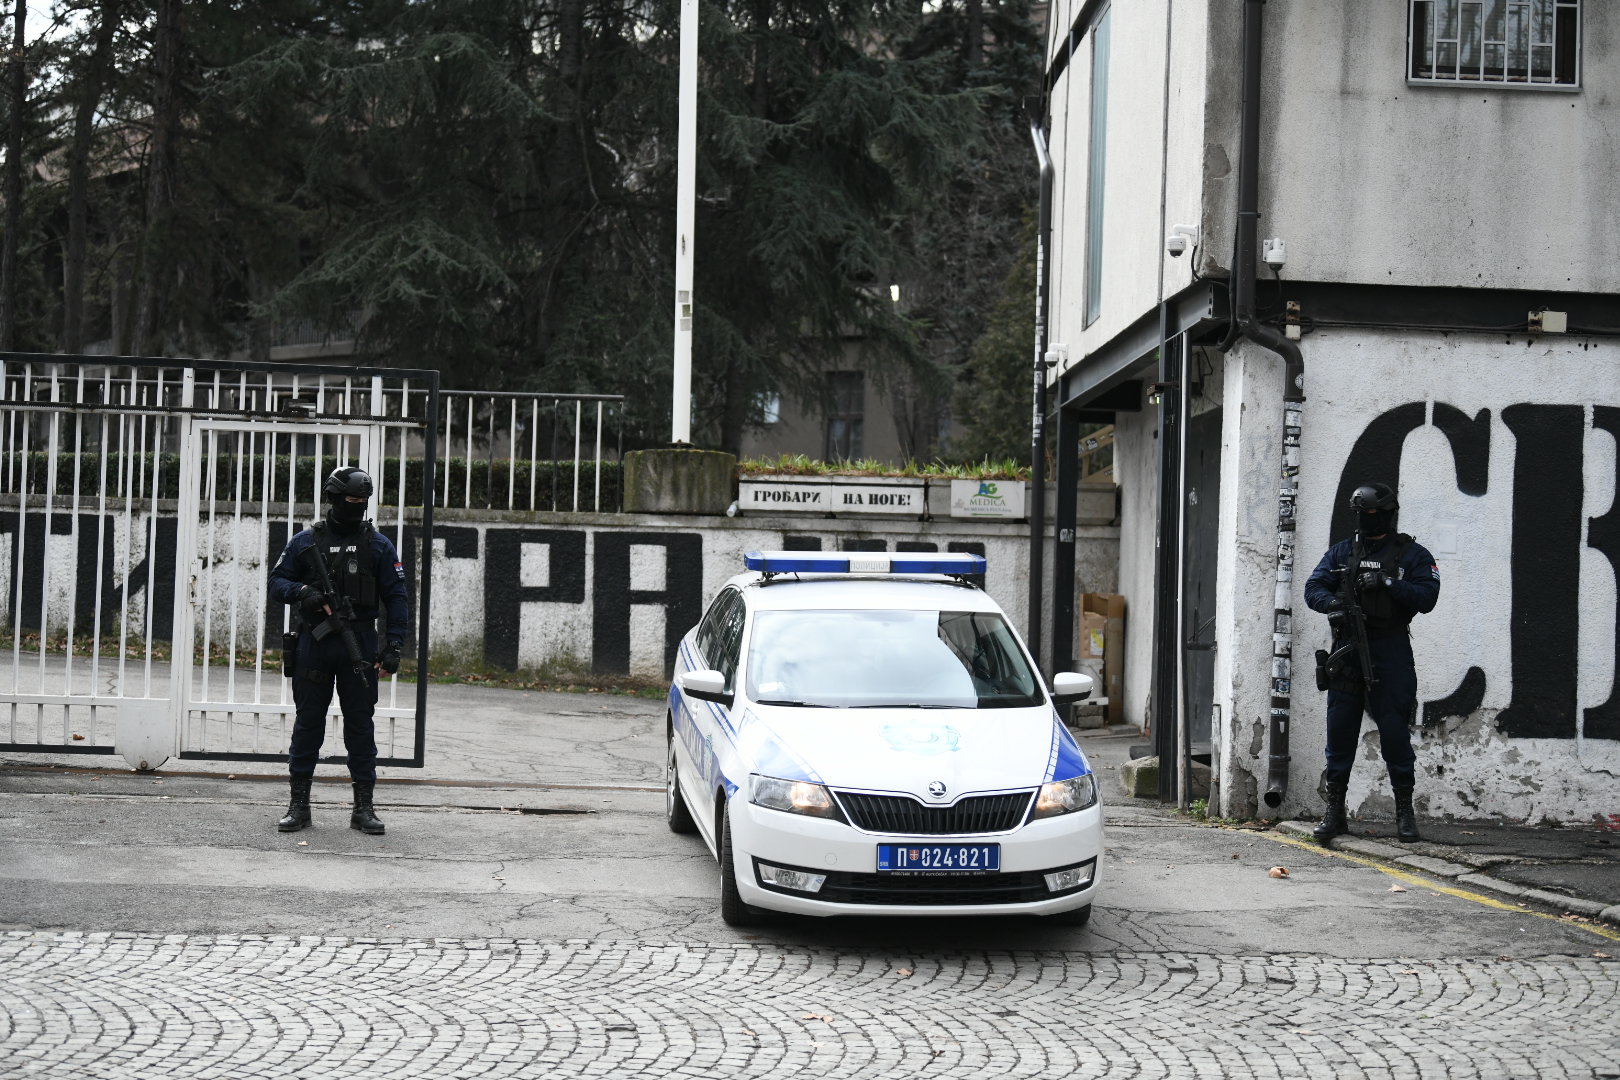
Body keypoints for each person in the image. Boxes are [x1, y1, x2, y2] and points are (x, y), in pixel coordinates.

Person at [267, 466, 409, 835]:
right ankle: (299, 806)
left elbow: (397, 597)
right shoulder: (305, 542)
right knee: (308, 724)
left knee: (360, 727)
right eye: (350, 501)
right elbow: (277, 581)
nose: (356, 508)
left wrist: (394, 645)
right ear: (333, 499)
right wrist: (304, 594)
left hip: (359, 644)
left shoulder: (378, 545)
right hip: (314, 644)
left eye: (362, 503)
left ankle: (363, 808)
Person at [1303, 482, 1440, 845]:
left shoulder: (1411, 554)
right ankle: (1334, 813)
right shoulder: (1343, 553)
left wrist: (1389, 582)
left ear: (1389, 514)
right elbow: (1313, 587)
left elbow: (1427, 597)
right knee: (1340, 733)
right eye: (1363, 514)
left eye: (1373, 514)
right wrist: (1333, 604)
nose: (1368, 520)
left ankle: (1405, 813)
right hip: (1347, 650)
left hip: (1389, 650)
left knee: (1395, 734)